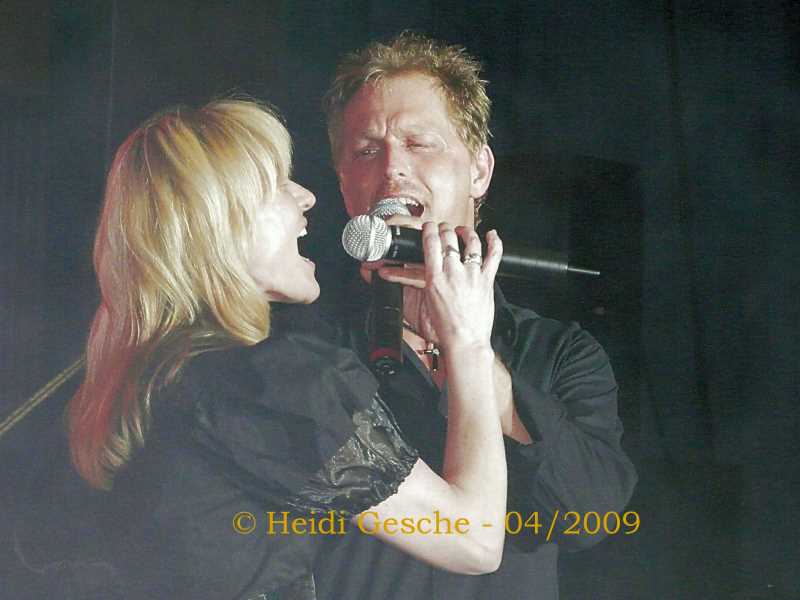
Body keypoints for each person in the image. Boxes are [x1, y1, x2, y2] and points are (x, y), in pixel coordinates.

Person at [66, 98, 511, 599]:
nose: (306, 197)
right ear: (219, 224)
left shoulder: (157, 371)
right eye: (278, 184)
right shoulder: (267, 379)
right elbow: (473, 539)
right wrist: (468, 341)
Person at [313, 33, 638, 599]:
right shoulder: (309, 344)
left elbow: (593, 515)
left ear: (479, 170)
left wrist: (470, 350)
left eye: (420, 143)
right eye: (367, 151)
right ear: (345, 187)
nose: (393, 168)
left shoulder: (557, 350)